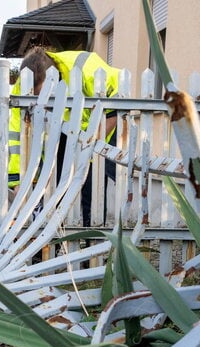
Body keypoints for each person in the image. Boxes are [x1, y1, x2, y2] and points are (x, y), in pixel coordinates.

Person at [7, 47, 120, 226]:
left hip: (103, 126)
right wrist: (16, 180)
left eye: (47, 94)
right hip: (65, 129)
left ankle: (92, 243)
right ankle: (55, 242)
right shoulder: (24, 84)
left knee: (92, 188)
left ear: (56, 77)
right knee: (58, 186)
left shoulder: (88, 69)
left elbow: (113, 113)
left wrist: (86, 148)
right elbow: (16, 134)